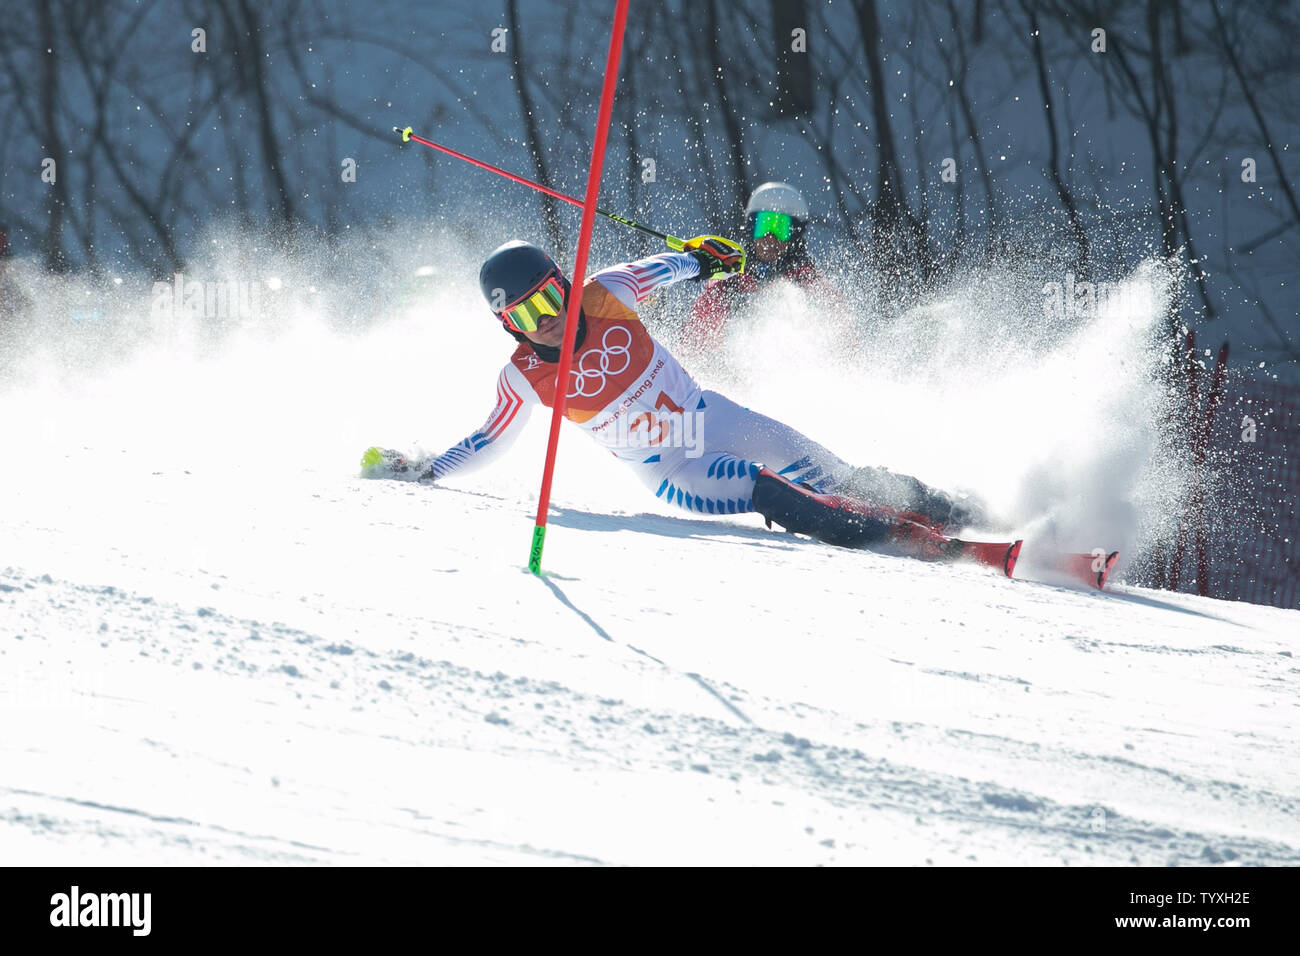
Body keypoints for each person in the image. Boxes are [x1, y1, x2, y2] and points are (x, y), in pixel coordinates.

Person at [361, 239, 987, 557]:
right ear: (509, 326)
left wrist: (708, 257)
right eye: (527, 316)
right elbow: (487, 440)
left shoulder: (606, 293)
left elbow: (671, 265)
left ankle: (955, 510)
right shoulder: (524, 376)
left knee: (833, 470)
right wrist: (428, 470)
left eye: (552, 297)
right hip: (674, 466)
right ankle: (892, 535)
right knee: (767, 486)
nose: (547, 319)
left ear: (564, 282)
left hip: (708, 415)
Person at [683, 182, 845, 352]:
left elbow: (843, 350)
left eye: (781, 228)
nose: (770, 238)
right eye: (762, 226)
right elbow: (693, 347)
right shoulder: (727, 286)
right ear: (750, 229)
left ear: (796, 235)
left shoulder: (815, 290)